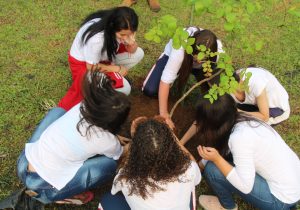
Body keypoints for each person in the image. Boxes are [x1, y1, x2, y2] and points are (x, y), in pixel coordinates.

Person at [17, 72, 131, 204]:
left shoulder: (82, 106)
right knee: (109, 165)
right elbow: (122, 153)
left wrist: (114, 137)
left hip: (24, 162)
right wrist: (134, 142)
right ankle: (58, 196)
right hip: (44, 187)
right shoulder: (106, 141)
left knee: (57, 112)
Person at [183, 94, 300, 210]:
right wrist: (201, 163)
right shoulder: (243, 119)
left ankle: (227, 207)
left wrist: (217, 159)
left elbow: (245, 186)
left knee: (212, 170)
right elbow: (226, 148)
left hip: (281, 200)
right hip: (294, 185)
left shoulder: (239, 139)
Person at [98, 117, 201, 210]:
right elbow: (192, 163)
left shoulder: (126, 178)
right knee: (190, 189)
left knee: (108, 199)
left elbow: (114, 190)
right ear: (171, 148)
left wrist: (134, 138)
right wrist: (171, 135)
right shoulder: (188, 169)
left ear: (136, 152)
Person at [58, 7, 144, 111]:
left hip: (102, 59)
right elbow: (90, 66)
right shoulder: (97, 39)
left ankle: (106, 84)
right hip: (84, 65)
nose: (125, 38)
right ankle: (101, 92)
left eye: (130, 34)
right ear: (112, 27)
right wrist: (116, 69)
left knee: (138, 53)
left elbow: (132, 50)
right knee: (125, 88)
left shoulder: (116, 26)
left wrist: (132, 42)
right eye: (122, 35)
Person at [142, 27, 223, 129]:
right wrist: (164, 114)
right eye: (196, 56)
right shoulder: (180, 47)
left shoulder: (218, 52)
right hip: (178, 58)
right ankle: (178, 72)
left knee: (214, 92)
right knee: (150, 90)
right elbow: (165, 81)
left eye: (203, 58)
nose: (198, 61)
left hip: (203, 67)